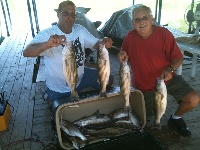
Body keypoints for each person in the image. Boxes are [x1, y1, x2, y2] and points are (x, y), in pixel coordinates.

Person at [117, 4, 199, 136]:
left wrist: (170, 69)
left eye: (145, 17)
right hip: (144, 87)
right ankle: (152, 117)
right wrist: (121, 55)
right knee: (140, 120)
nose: (141, 22)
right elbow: (123, 54)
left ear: (152, 19)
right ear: (133, 23)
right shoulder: (130, 37)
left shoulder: (164, 34)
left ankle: (175, 118)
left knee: (193, 99)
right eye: (137, 20)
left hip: (166, 80)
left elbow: (179, 58)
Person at [23, 0, 113, 106]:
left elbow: (96, 44)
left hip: (81, 77)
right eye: (65, 13)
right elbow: (27, 52)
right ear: (58, 14)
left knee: (109, 79)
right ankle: (49, 95)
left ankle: (76, 91)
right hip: (58, 88)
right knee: (59, 110)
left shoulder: (80, 30)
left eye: (72, 14)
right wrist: (46, 45)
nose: (69, 17)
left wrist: (104, 41)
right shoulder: (47, 34)